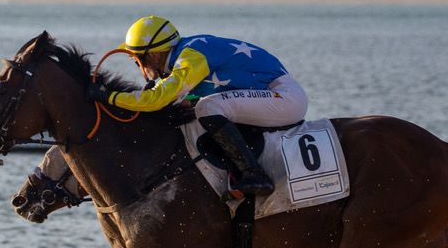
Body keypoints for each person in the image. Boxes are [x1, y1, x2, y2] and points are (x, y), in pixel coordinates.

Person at [89, 16, 308, 196]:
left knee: (208, 107)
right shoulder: (181, 58)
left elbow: (156, 99)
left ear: (154, 55)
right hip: (271, 95)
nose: (140, 67)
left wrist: (108, 96)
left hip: (284, 97)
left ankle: (254, 175)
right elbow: (170, 101)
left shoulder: (191, 57)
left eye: (138, 61)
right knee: (198, 108)